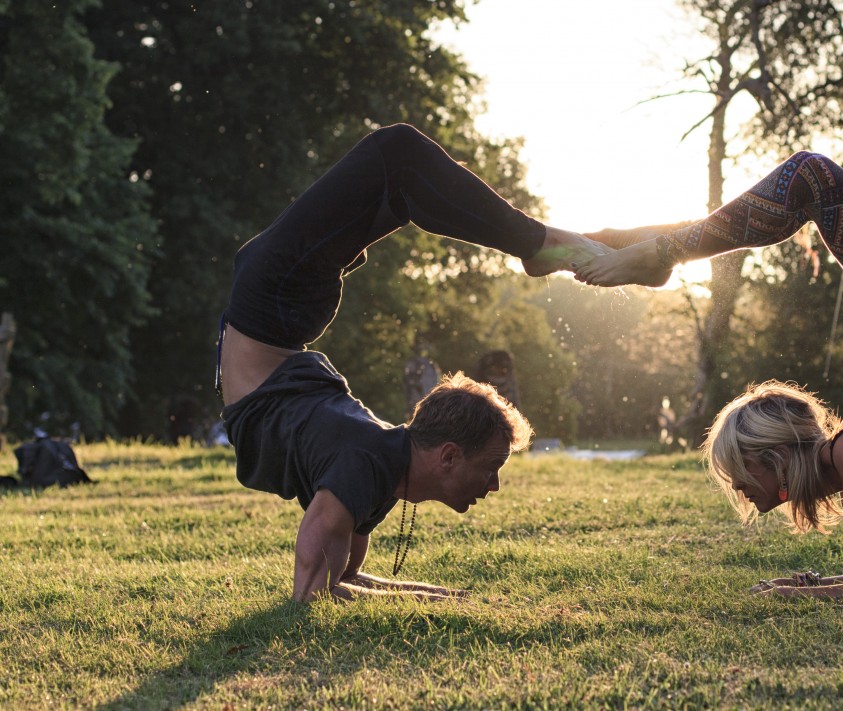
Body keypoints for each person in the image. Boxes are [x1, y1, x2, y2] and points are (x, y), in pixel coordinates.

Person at [219, 123, 607, 603]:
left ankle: (539, 243)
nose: (495, 485)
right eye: (491, 467)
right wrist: (434, 599)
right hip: (272, 305)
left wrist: (437, 597)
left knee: (401, 171)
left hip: (274, 310)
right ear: (448, 456)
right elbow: (312, 595)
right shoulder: (369, 463)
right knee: (399, 159)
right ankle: (539, 244)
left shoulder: (374, 468)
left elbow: (333, 586)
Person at [575, 151, 843, 599]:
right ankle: (635, 246)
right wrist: (806, 585)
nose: (739, 488)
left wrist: (790, 595)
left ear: (774, 455)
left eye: (739, 474)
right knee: (805, 188)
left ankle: (653, 250)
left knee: (809, 178)